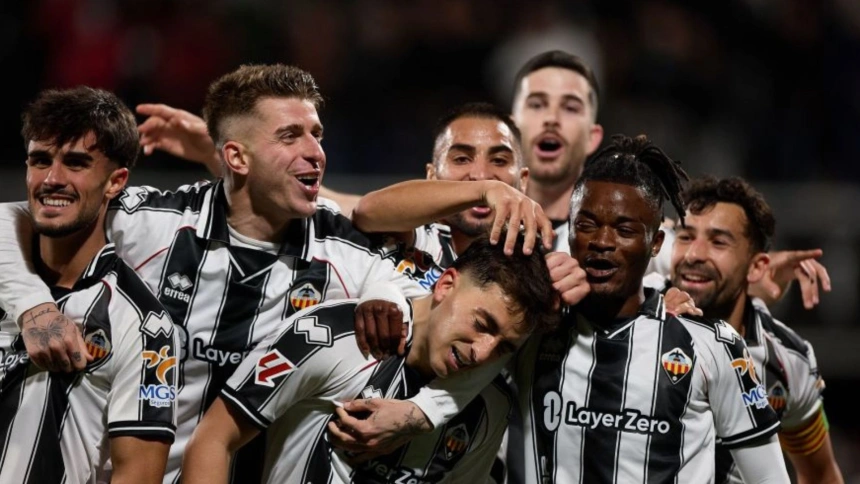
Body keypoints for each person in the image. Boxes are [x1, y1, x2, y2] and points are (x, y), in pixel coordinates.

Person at [0, 64, 431, 483]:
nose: (315, 152)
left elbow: (428, 293)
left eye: (316, 134)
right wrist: (33, 307)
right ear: (236, 157)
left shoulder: (344, 250)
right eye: (290, 135)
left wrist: (388, 294)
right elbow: (14, 217)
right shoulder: (153, 224)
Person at [333, 134, 792, 483]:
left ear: (656, 243)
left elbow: (768, 476)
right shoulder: (531, 328)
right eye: (587, 225)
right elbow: (457, 340)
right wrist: (387, 299)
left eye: (625, 229)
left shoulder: (708, 346)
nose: (603, 243)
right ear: (567, 230)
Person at [182, 231, 559, 483]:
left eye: (505, 347)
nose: (482, 352)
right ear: (445, 285)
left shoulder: (489, 408)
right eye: (482, 323)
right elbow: (214, 440)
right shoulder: (326, 334)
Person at [0, 86, 177, 483]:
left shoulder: (145, 327)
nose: (52, 179)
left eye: (76, 163)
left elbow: (139, 474)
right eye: (39, 160)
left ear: (115, 182)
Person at [664, 176, 843, 483]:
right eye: (685, 237)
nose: (694, 255)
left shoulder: (787, 362)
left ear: (757, 266)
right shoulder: (631, 314)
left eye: (718, 242)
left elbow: (821, 474)